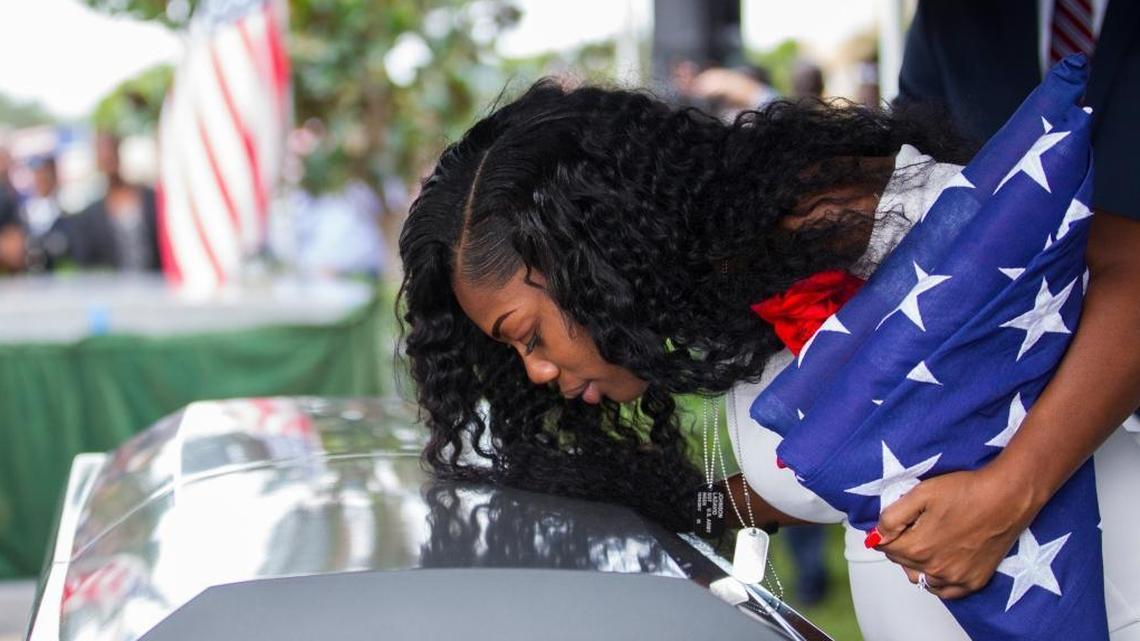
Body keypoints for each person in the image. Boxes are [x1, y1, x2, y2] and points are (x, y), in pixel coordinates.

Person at [397, 80, 1140, 638]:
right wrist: (687, 508)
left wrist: (1011, 491)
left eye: (528, 334)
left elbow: (1131, 270)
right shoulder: (717, 307)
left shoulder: (825, 216)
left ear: (588, 258)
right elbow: (844, 475)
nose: (533, 371)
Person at [54, 132, 160, 271]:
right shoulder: (93, 211)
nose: (107, 158)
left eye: (110, 151)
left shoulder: (148, 197)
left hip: (156, 282)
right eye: (102, 153)